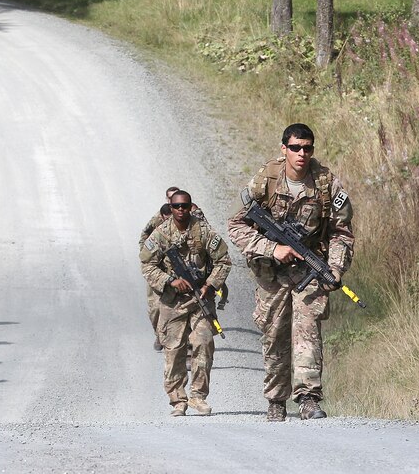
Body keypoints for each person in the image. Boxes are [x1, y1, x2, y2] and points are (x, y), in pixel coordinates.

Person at [227, 123, 354, 422]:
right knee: (275, 334)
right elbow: (236, 225)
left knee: (307, 330)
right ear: (284, 148)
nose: (301, 153)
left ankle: (308, 398)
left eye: (307, 148)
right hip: (271, 272)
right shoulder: (266, 180)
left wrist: (334, 267)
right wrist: (272, 249)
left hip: (309, 268)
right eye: (295, 147)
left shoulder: (326, 184)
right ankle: (276, 400)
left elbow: (342, 233)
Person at [140, 190, 231, 417]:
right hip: (173, 302)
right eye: (177, 206)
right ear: (170, 208)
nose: (181, 210)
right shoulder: (160, 234)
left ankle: (198, 397)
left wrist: (210, 285)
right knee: (174, 350)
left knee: (204, 342)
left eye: (185, 206)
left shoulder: (203, 231)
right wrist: (171, 281)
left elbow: (224, 260)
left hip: (200, 299)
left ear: (191, 207)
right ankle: (177, 400)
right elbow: (147, 266)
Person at [139, 187, 180, 352]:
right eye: (169, 199)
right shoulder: (159, 217)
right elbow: (144, 238)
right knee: (155, 308)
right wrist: (149, 259)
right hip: (158, 271)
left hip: (179, 272)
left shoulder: (188, 217)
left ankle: (186, 348)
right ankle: (159, 334)